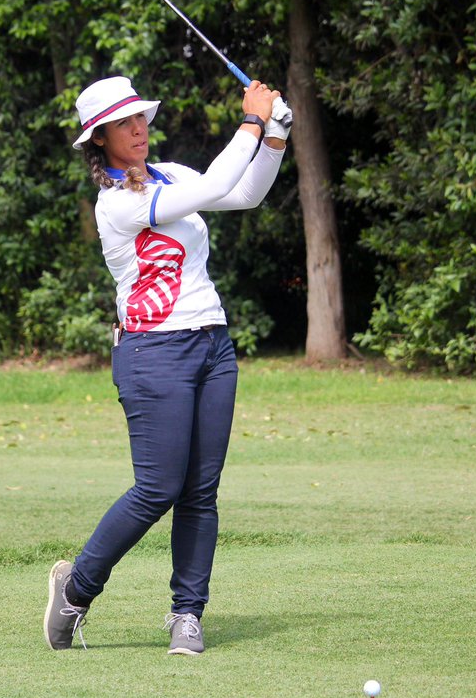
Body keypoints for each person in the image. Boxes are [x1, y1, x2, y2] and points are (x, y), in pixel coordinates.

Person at [44, 75, 291, 655]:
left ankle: (187, 614)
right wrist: (252, 120)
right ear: (99, 138)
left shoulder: (170, 174)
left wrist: (276, 136)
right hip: (152, 352)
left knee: (201, 491)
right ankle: (76, 590)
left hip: (213, 345)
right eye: (123, 123)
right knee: (157, 488)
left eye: (140, 118)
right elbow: (215, 184)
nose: (138, 129)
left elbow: (242, 193)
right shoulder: (116, 202)